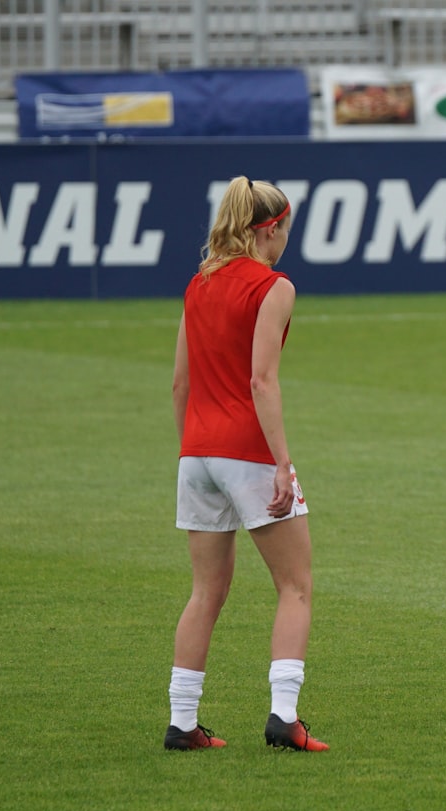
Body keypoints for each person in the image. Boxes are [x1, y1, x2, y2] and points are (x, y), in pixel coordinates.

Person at [165, 176, 328, 751]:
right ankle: (284, 717)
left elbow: (180, 382)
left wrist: (192, 450)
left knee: (205, 591)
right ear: (271, 229)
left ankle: (182, 723)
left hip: (197, 453)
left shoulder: (197, 283)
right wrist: (282, 464)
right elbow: (261, 380)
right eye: (286, 229)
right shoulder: (273, 286)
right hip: (248, 452)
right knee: (295, 586)